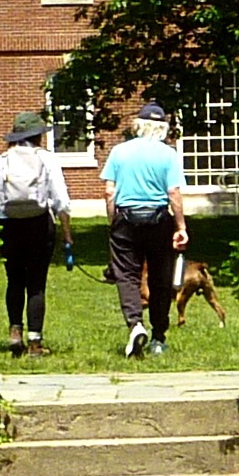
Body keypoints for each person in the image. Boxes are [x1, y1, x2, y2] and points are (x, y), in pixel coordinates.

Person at [100, 99, 189, 356]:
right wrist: (181, 226)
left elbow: (109, 192)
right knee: (160, 279)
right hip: (158, 220)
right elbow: (173, 192)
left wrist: (112, 221)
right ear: (163, 128)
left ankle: (135, 323)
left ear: (138, 125)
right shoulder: (168, 154)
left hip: (126, 220)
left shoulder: (119, 152)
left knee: (127, 275)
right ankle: (158, 337)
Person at [0, 112, 73, 355]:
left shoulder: (0, 160)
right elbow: (61, 200)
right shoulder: (47, 159)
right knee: (36, 285)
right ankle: (35, 342)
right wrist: (66, 233)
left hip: (8, 225)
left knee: (14, 280)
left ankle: (14, 332)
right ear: (37, 137)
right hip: (39, 225)